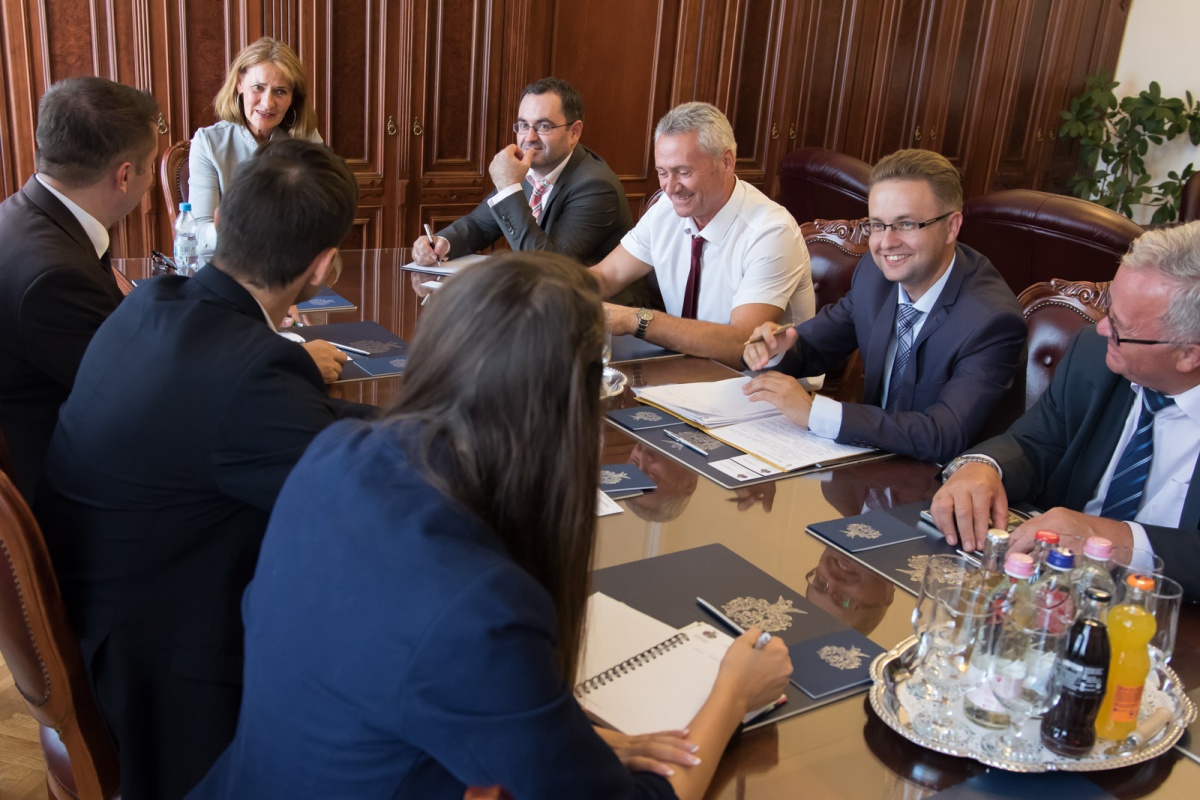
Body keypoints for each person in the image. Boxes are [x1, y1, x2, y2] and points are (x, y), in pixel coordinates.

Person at [187, 252, 792, 800]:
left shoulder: (339, 453)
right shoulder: (480, 605)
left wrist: (570, 740)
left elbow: (377, 678)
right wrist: (733, 693)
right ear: (571, 410)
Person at [36, 139, 377, 800]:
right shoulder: (252, 375)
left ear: (221, 222)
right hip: (156, 687)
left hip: (98, 628)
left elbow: (293, 429)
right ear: (323, 265)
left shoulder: (154, 302)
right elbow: (361, 498)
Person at [930, 222, 1200, 601]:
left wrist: (1119, 539)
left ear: (1189, 354)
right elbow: (1035, 442)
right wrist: (983, 466)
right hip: (1054, 589)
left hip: (1171, 613)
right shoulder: (1095, 355)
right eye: (1109, 310)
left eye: (1120, 327)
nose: (1102, 328)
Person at [741, 149, 1025, 463]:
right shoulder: (875, 274)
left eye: (906, 224)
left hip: (944, 480)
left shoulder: (992, 321)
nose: (886, 243)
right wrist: (776, 349)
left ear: (952, 226)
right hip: (871, 463)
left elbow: (944, 435)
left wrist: (815, 413)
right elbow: (813, 347)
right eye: (878, 225)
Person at [0, 76, 158, 500]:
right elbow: (141, 399)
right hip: (67, 492)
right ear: (125, 176)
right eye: (149, 166)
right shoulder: (55, 277)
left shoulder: (21, 216)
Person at [589, 102, 814, 368]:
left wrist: (634, 320)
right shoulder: (665, 209)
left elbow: (742, 344)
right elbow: (606, 276)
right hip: (685, 370)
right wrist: (553, 290)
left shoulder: (771, 232)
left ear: (726, 162)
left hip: (759, 381)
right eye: (662, 173)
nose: (670, 187)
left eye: (684, 172)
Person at [412, 78, 630, 267]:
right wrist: (441, 243)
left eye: (543, 126)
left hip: (591, 300)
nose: (529, 138)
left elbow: (548, 266)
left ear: (574, 132)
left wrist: (508, 187)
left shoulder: (596, 187)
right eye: (523, 126)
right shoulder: (525, 171)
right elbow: (479, 224)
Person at [189, 37, 321, 255]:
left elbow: (322, 216)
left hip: (289, 263)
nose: (268, 103)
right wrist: (245, 230)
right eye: (258, 87)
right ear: (240, 83)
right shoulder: (208, 143)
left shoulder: (307, 139)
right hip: (230, 264)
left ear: (293, 97)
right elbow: (199, 235)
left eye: (280, 91)